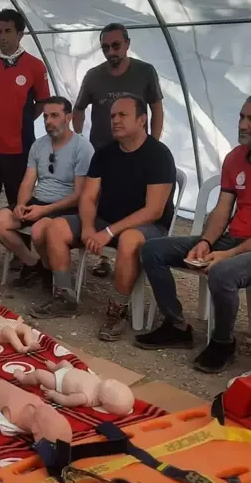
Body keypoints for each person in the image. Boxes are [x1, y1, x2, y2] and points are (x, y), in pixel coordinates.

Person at [136, 93, 251, 373]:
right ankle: (176, 325)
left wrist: (230, 253)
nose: (243, 124)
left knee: (222, 272)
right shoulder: (235, 157)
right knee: (152, 249)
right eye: (241, 116)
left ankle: (223, 342)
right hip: (230, 242)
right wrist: (205, 241)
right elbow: (222, 210)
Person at [30, 96, 176, 339]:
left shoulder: (159, 155)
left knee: (129, 240)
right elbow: (88, 197)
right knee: (55, 227)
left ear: (142, 120)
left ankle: (118, 310)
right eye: (112, 116)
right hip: (104, 221)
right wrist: (87, 227)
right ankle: (64, 296)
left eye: (122, 115)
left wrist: (108, 232)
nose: (115, 120)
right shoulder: (105, 153)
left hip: (147, 227)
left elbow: (154, 211)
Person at [73, 23, 164, 279]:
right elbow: (78, 108)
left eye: (115, 45)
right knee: (101, 203)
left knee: (133, 201)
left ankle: (132, 250)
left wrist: (152, 144)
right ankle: (103, 257)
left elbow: (156, 109)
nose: (111, 51)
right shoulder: (93, 75)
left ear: (127, 44)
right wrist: (79, 138)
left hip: (136, 151)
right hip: (101, 151)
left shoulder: (145, 71)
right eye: (105, 47)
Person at [0, 96, 93, 289]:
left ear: (68, 118)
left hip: (66, 207)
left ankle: (52, 272)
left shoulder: (83, 148)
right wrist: (21, 204)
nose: (48, 122)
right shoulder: (38, 145)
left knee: (39, 231)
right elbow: (28, 181)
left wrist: (43, 211)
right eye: (45, 117)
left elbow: (80, 195)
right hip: (39, 202)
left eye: (55, 116)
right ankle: (33, 263)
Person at [0, 9, 51, 259]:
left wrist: (22, 119)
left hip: (20, 149)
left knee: (19, 202)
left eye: (8, 31)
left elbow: (41, 104)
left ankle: (21, 254)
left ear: (20, 33)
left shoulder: (35, 67)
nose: (3, 37)